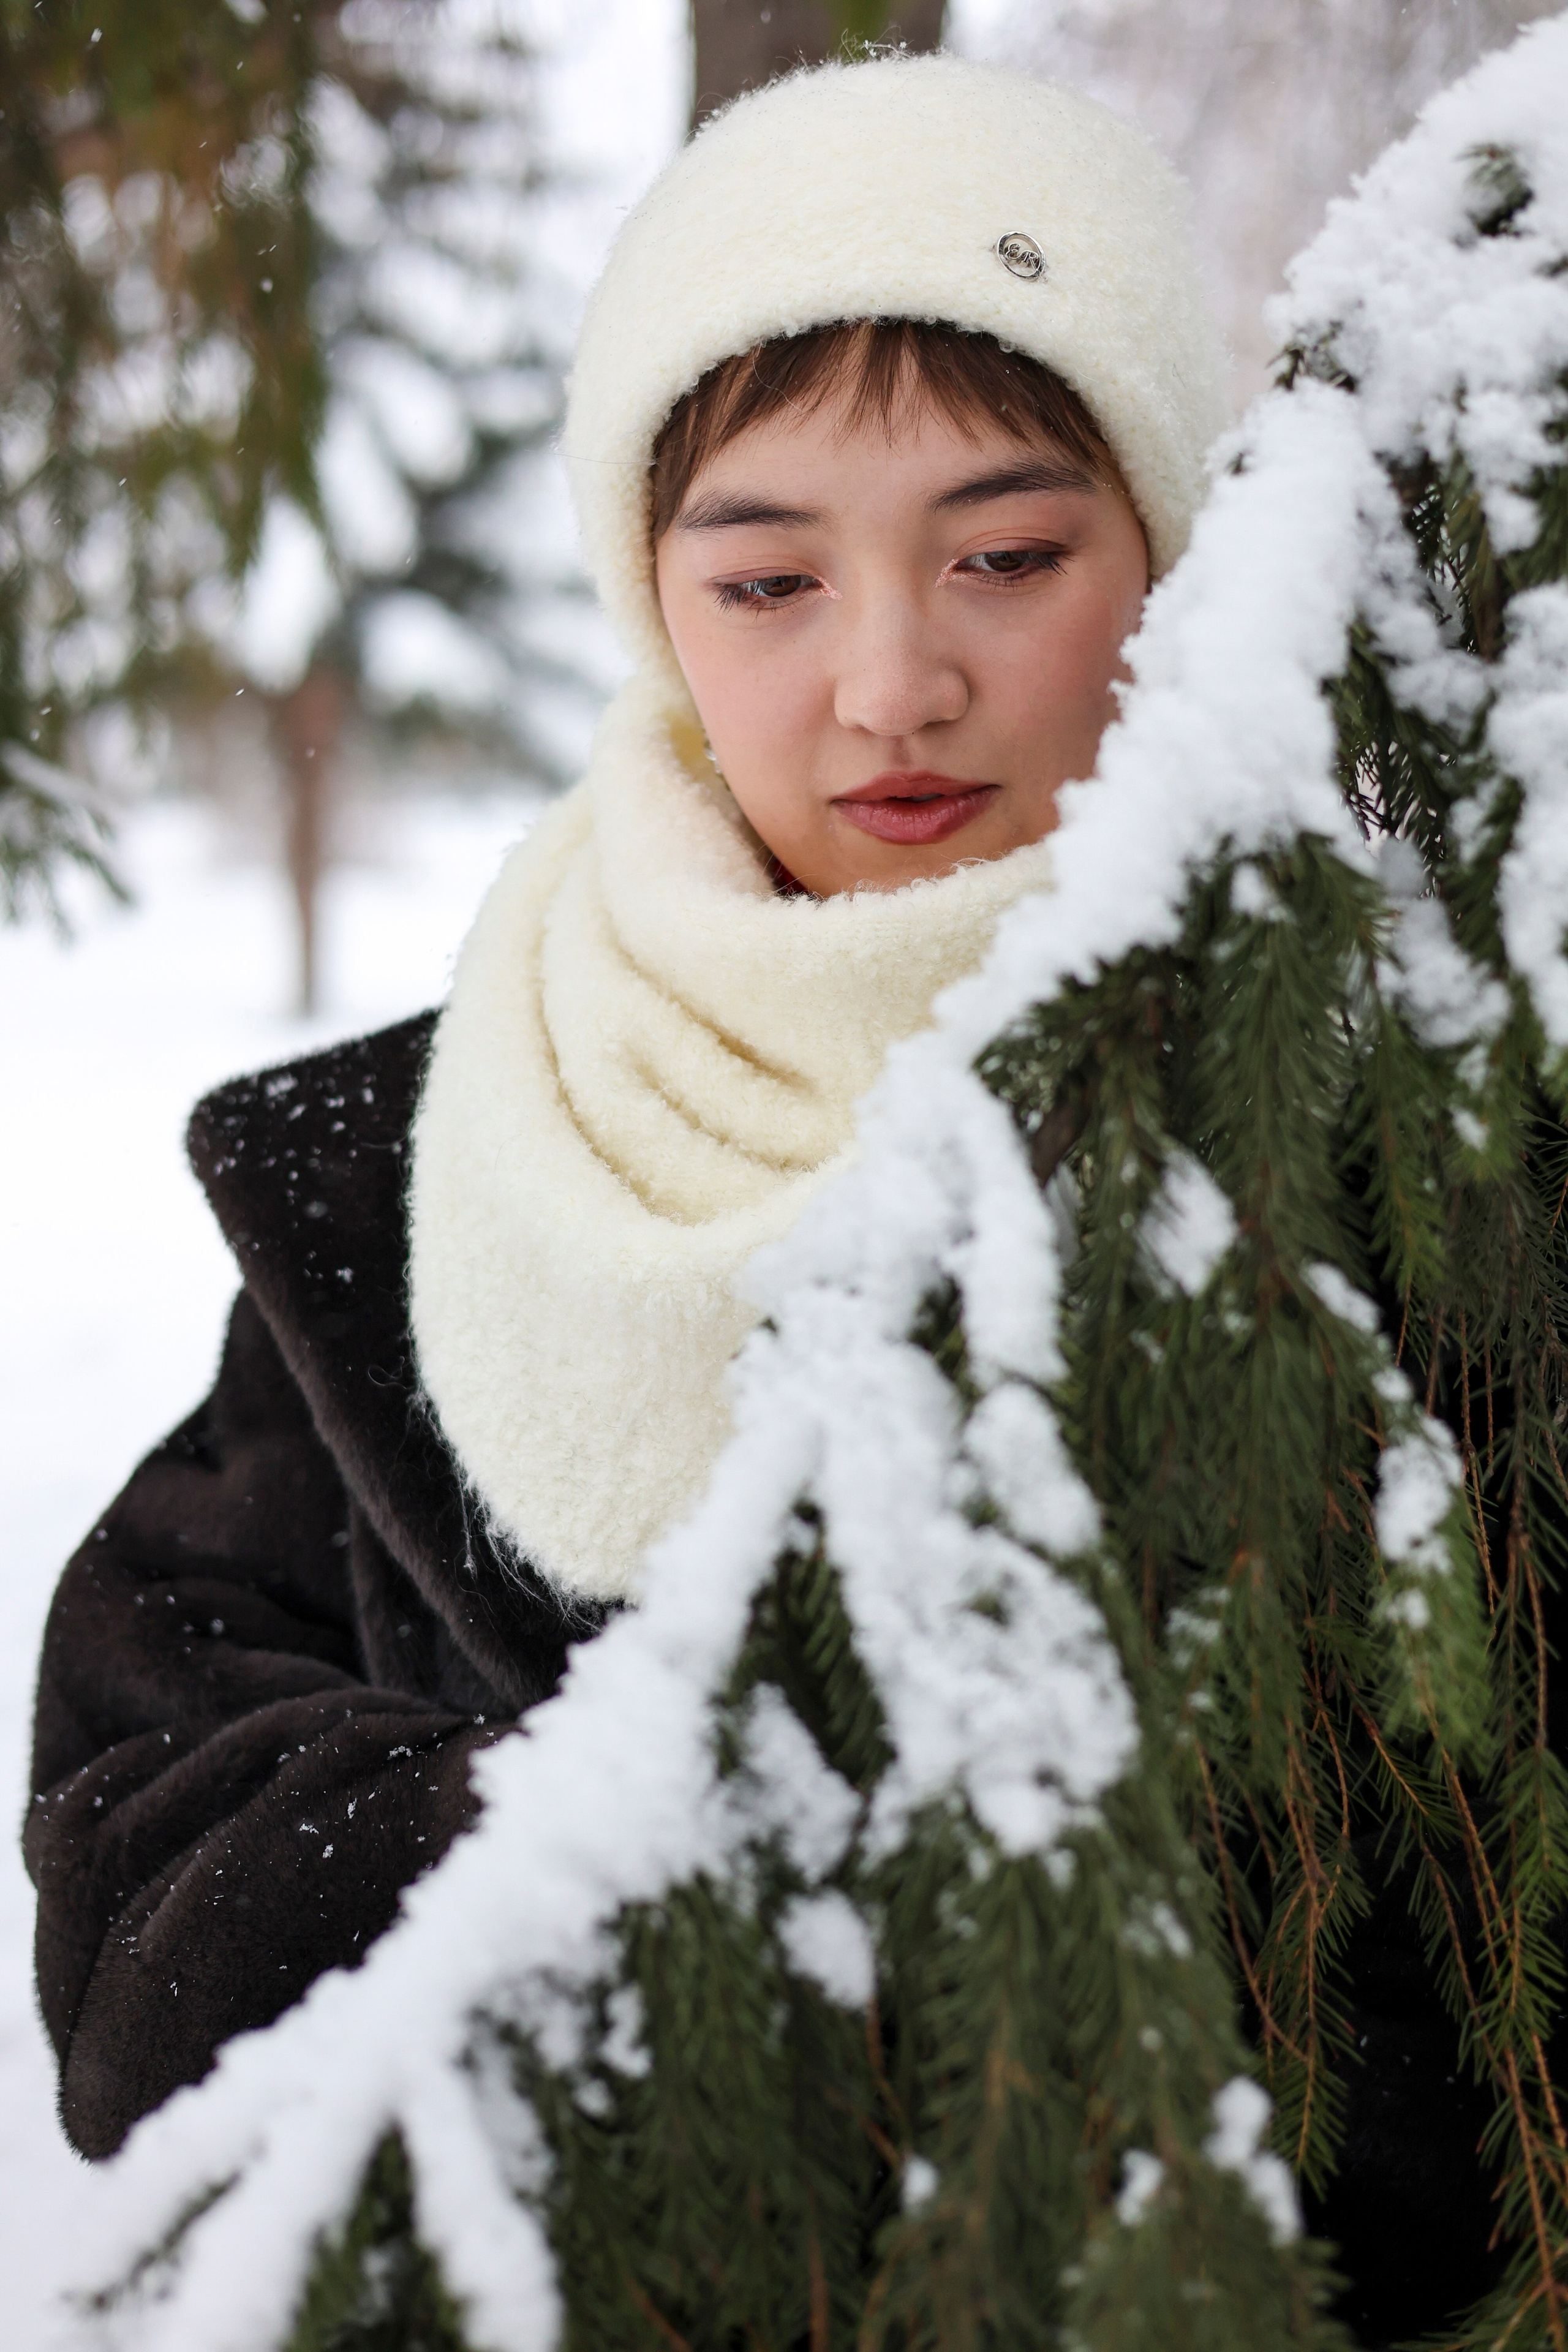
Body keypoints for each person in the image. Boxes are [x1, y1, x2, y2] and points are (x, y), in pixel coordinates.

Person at [23, 50, 1481, 2343]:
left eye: (1006, 556)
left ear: (1175, 548)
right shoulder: (401, 1180)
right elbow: (143, 1909)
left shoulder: (1408, 1158)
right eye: (769, 578)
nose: (892, 682)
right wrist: (630, 1863)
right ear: (653, 603)